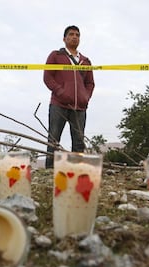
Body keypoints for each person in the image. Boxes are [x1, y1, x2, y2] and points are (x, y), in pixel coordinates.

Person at [43, 25, 95, 168]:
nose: (74, 37)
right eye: (71, 34)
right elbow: (48, 77)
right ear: (64, 38)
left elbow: (90, 83)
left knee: (79, 141)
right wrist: (61, 92)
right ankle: (49, 172)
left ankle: (77, 172)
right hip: (59, 104)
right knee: (53, 138)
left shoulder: (86, 61)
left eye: (77, 35)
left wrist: (85, 97)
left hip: (80, 107)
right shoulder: (56, 55)